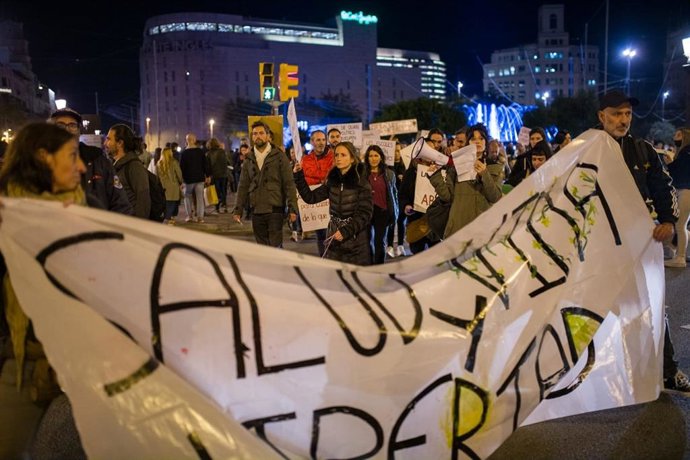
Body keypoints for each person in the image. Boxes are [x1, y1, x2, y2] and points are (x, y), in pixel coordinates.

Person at [0, 122, 88, 459]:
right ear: (43, 158)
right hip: (19, 363)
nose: (81, 166)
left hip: (80, 364)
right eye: (72, 156)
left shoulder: (88, 208)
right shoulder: (5, 215)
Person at [596, 89, 690, 393]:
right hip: (597, 248)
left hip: (638, 244)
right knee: (589, 309)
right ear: (601, 116)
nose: (623, 120)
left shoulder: (642, 149)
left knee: (652, 305)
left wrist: (667, 221)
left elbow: (663, 186)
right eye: (616, 114)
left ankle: (667, 371)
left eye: (627, 114)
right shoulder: (586, 149)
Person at [294, 141, 373, 265]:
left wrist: (346, 231)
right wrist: (299, 175)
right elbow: (311, 198)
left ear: (352, 158)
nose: (339, 158)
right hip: (334, 237)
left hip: (356, 239)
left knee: (354, 278)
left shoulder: (361, 181)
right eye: (336, 155)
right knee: (335, 278)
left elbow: (365, 214)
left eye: (343, 155)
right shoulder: (332, 180)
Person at [49, 108, 132, 215]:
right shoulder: (39, 163)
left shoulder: (98, 160)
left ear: (80, 131)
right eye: (60, 125)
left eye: (72, 125)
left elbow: (121, 205)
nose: (67, 129)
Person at [427, 123, 503, 237]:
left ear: (486, 142)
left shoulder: (494, 167)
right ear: (468, 142)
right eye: (473, 138)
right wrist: (435, 176)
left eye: (481, 138)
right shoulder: (456, 165)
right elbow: (448, 196)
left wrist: (484, 174)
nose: (477, 141)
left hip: (483, 228)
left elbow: (495, 197)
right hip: (459, 226)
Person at [233, 121, 298, 247]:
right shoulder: (249, 159)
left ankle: (278, 266)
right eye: (255, 133)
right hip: (256, 209)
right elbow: (243, 186)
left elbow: (289, 183)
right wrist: (238, 209)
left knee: (274, 246)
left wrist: (292, 209)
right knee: (262, 247)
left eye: (261, 133)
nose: (258, 136)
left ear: (268, 136)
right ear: (252, 137)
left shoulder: (279, 156)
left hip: (275, 208)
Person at [398, 131, 445, 254]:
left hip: (435, 223)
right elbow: (402, 195)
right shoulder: (411, 172)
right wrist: (406, 206)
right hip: (416, 221)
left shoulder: (442, 169)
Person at [104, 124, 151, 219]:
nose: (105, 143)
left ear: (120, 143)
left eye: (109, 139)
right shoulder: (116, 166)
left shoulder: (134, 166)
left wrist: (136, 227)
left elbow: (144, 200)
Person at [300, 130, 334, 254]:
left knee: (332, 234)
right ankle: (323, 258)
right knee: (320, 235)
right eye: (318, 140)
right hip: (316, 203)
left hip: (331, 201)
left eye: (323, 140)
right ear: (312, 142)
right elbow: (303, 179)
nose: (321, 143)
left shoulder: (334, 157)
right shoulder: (305, 160)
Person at [365, 145, 398, 264]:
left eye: (376, 155)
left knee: (380, 241)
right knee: (366, 241)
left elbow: (394, 194)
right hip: (366, 211)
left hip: (382, 212)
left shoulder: (389, 174)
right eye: (370, 156)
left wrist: (395, 211)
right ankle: (369, 265)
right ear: (367, 158)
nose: (373, 158)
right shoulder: (362, 173)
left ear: (381, 157)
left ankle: (379, 266)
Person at [666, 127, 690, 268]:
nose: (675, 136)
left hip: (686, 191)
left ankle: (680, 257)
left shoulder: (686, 152)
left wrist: (670, 163)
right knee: (682, 224)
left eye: (679, 134)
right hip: (684, 190)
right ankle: (680, 252)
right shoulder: (685, 152)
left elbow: (680, 171)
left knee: (680, 225)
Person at [179, 133, 209, 223]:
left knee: (187, 197)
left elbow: (181, 167)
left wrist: (181, 180)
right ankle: (200, 217)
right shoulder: (200, 152)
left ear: (186, 140)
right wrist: (207, 175)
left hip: (188, 179)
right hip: (200, 178)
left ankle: (189, 216)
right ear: (195, 140)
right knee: (200, 198)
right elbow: (205, 164)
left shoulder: (184, 153)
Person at [386, 142, 408, 258]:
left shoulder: (405, 166)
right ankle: (389, 246)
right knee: (391, 222)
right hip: (391, 199)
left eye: (398, 150)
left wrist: (403, 179)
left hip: (402, 198)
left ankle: (400, 245)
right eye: (394, 150)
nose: (396, 153)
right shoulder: (387, 167)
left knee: (401, 222)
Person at [156, 147, 183, 225]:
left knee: (166, 204)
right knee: (171, 204)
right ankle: (167, 219)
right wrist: (181, 182)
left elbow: (157, 176)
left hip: (163, 187)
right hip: (173, 187)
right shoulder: (174, 162)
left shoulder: (158, 163)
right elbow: (179, 174)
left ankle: (167, 218)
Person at [206, 137, 229, 213]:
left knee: (216, 191)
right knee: (223, 190)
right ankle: (225, 205)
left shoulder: (208, 154)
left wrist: (208, 175)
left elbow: (208, 166)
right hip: (224, 174)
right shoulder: (222, 151)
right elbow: (226, 162)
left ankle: (217, 207)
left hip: (215, 175)